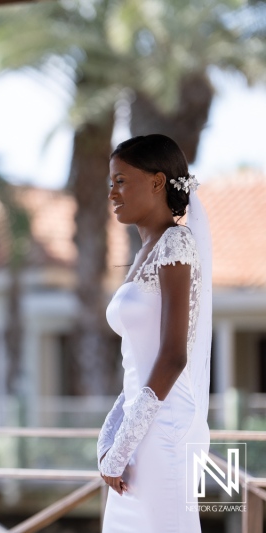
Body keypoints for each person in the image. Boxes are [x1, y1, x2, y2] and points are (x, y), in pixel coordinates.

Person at [97, 134, 213, 532]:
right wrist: (111, 434)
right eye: (111, 183)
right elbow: (139, 360)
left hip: (164, 435)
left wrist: (122, 446)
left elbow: (173, 356)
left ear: (158, 182)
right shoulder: (145, 252)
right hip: (139, 431)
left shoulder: (176, 242)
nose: (112, 193)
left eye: (121, 181)